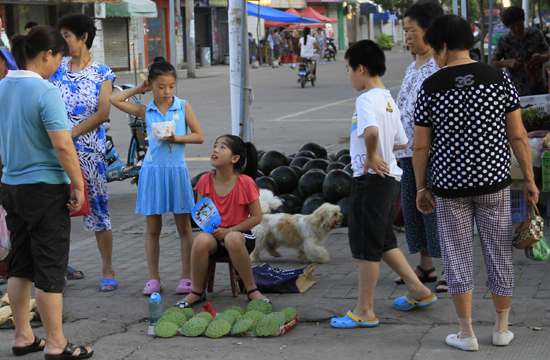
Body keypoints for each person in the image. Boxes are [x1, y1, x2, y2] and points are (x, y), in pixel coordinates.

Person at [415, 14, 539, 351]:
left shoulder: (431, 86)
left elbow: (421, 145)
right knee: (498, 252)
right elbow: (518, 135)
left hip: (449, 187)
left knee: (457, 256)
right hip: (494, 184)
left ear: (441, 47)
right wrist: (528, 179)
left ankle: (466, 333)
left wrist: (421, 187)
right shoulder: (498, 78)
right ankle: (501, 328)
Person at [0, 25, 93, 359]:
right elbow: (63, 145)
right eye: (59, 59)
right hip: (43, 189)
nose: (59, 66)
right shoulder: (45, 91)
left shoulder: (2, 88)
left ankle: (24, 337)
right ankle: (56, 344)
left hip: (11, 187)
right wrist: (79, 185)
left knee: (21, 264)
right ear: (47, 55)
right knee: (51, 266)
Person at [331, 40, 437, 329]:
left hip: (371, 181)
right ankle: (419, 290)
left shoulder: (366, 100)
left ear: (360, 69)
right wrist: (384, 151)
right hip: (390, 179)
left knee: (367, 246)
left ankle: (364, 310)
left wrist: (373, 154)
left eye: (348, 69)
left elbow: (372, 131)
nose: (349, 74)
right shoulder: (388, 99)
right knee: (383, 240)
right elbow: (403, 140)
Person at [110, 60, 204, 295]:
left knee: (184, 227)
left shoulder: (183, 106)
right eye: (161, 86)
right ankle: (154, 279)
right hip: (152, 173)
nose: (167, 92)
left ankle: (186, 276)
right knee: (153, 229)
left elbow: (199, 136)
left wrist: (176, 139)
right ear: (151, 86)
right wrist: (138, 89)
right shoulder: (145, 109)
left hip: (176, 171)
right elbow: (114, 100)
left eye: (171, 86)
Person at [50, 13, 117, 291]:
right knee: (55, 213)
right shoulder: (55, 69)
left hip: (90, 155)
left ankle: (108, 269)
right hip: (55, 154)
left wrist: (69, 135)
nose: (63, 40)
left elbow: (103, 113)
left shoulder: (102, 73)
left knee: (98, 211)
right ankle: (57, 271)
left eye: (67, 35)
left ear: (83, 37)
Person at [176, 135, 271, 308]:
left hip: (242, 237)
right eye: (215, 145)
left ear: (235, 158)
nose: (215, 150)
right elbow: (201, 214)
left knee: (232, 239)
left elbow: (257, 217)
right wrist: (215, 232)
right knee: (200, 240)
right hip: (213, 236)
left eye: (222, 147)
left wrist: (229, 230)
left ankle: (252, 290)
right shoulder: (204, 181)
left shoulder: (246, 183)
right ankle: (196, 291)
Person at [394, 1, 447, 293]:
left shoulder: (439, 66)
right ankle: (426, 266)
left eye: (411, 30)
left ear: (429, 30)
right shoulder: (412, 66)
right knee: (416, 212)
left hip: (431, 153)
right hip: (407, 153)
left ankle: (452, 269)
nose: (407, 36)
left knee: (437, 211)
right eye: (405, 31)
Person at [492, 5, 550, 96]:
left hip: (540, 86)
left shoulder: (536, 34)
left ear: (523, 20)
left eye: (519, 23)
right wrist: (507, 62)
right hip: (515, 89)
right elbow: (492, 62)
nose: (517, 28)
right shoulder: (504, 41)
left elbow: (547, 53)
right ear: (508, 27)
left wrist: (540, 57)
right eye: (513, 26)